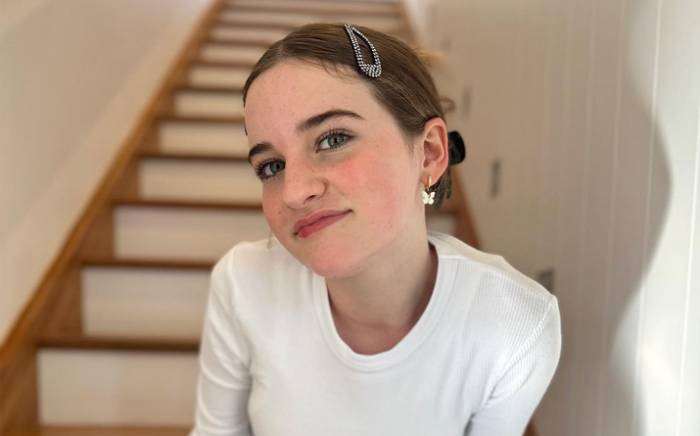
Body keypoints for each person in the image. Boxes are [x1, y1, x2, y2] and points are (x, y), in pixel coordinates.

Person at [190, 23, 561, 436]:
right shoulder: (244, 283)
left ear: (429, 153)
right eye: (271, 166)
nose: (294, 192)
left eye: (333, 139)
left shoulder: (515, 325)